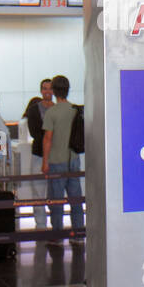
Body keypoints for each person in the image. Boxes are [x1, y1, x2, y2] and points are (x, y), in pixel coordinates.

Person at [42, 74, 83, 240]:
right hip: (73, 159)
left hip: (56, 161)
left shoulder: (51, 112)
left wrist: (45, 162)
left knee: (56, 201)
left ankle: (57, 236)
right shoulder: (75, 110)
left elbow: (48, 139)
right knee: (76, 200)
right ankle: (78, 235)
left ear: (54, 91)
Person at [21, 79, 54, 228]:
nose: (47, 91)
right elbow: (35, 133)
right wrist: (51, 135)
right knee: (38, 193)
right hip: (38, 155)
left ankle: (56, 225)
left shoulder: (58, 108)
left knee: (55, 193)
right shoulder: (34, 110)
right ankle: (41, 225)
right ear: (41, 90)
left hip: (56, 156)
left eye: (50, 88)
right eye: (44, 88)